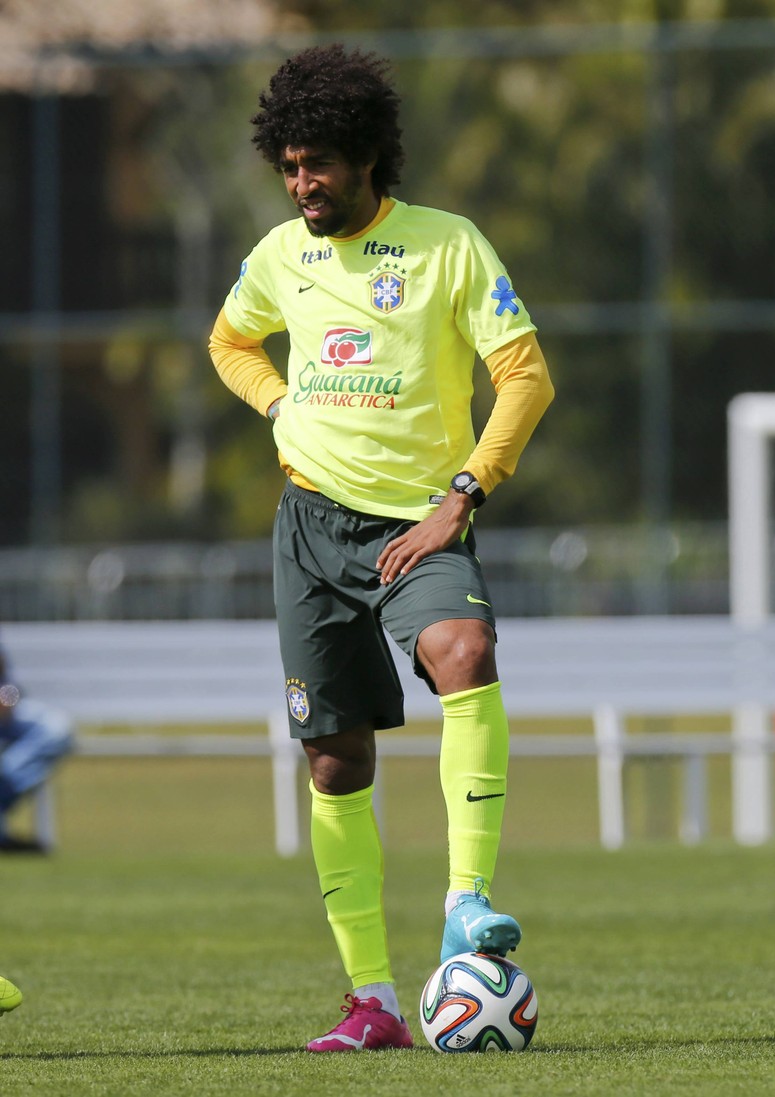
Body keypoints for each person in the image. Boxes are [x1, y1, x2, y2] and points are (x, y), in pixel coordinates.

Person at [207, 45, 555, 1053]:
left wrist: (462, 495)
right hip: (311, 525)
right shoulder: (280, 256)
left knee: (466, 653)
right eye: (289, 165)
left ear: (368, 157)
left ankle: (466, 902)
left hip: (421, 522)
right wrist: (279, 402)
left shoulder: (449, 245)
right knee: (333, 758)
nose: (301, 183)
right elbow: (229, 340)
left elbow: (525, 377)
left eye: (317, 163)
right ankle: (374, 1001)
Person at [0, 648, 74, 854]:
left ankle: (7, 781)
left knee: (57, 728)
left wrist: (6, 702)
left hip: (9, 722)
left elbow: (10, 693)